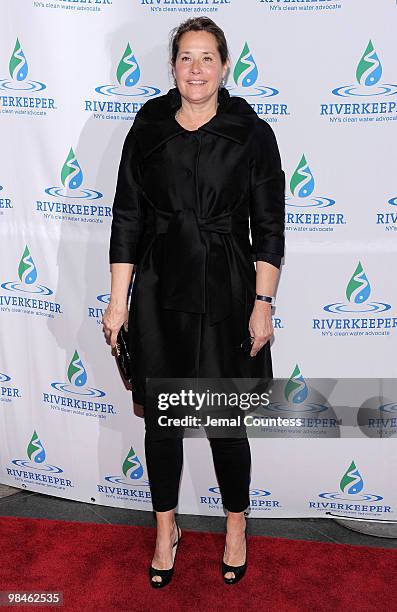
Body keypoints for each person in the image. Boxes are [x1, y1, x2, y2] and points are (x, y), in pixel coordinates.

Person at [102, 16, 285, 588]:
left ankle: (235, 526)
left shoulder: (251, 132)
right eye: (186, 57)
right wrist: (117, 301)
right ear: (173, 66)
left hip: (230, 290)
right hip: (158, 288)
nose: (196, 69)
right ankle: (166, 529)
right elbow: (128, 215)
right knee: (163, 422)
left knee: (226, 424)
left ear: (224, 66)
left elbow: (270, 226)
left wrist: (263, 302)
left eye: (207, 58)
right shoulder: (148, 123)